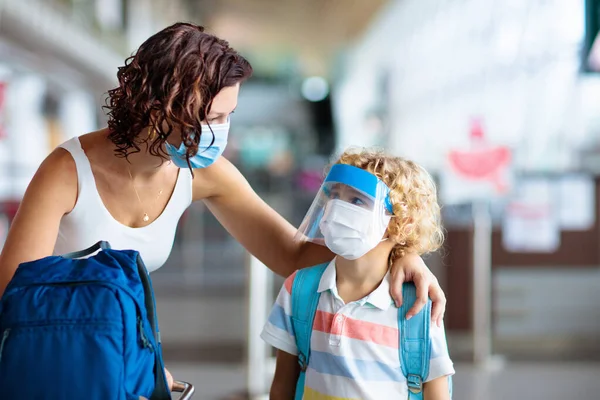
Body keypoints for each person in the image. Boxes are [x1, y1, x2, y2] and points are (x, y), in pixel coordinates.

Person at [0, 23, 446, 385]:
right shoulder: (66, 171)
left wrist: (399, 252)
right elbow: (18, 297)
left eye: (228, 115)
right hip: (53, 357)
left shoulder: (203, 172)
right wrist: (127, 362)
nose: (222, 131)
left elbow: (290, 253)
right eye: (212, 117)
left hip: (119, 358)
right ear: (158, 107)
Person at [262, 148, 454, 400]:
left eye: (356, 200)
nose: (337, 207)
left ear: (401, 223)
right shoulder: (299, 290)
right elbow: (282, 387)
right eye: (334, 195)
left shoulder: (417, 307)